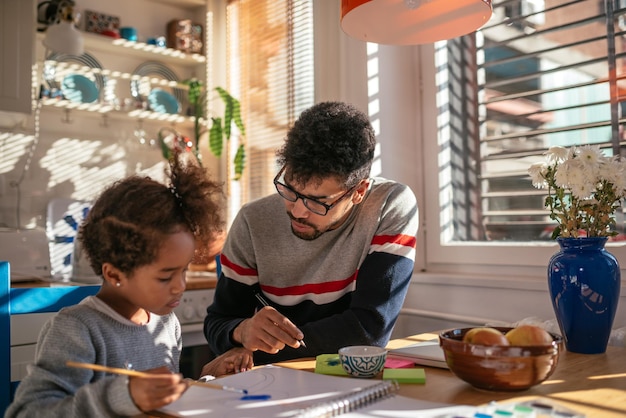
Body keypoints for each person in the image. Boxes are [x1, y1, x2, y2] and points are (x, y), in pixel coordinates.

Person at [6, 153, 253, 418]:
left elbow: (160, 403)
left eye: (184, 271)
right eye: (165, 276)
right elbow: (27, 413)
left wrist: (207, 379)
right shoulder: (77, 330)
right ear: (114, 274)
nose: (180, 286)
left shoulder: (166, 323)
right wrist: (122, 396)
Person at [204, 101, 419, 365]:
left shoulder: (389, 205)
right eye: (290, 190)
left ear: (359, 192)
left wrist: (254, 352)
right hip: (272, 382)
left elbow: (367, 332)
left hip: (344, 381)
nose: (297, 211)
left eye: (317, 202)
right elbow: (218, 323)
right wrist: (241, 332)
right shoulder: (253, 221)